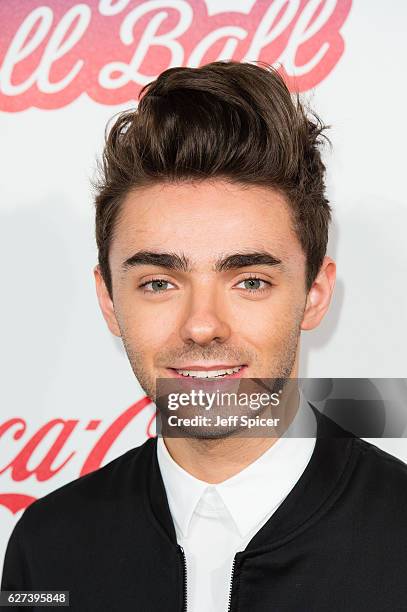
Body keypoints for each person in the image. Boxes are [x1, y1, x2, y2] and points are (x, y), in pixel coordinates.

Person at [2, 61, 407, 611]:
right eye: (160, 282)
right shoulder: (47, 546)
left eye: (249, 281)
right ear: (109, 302)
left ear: (314, 293)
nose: (201, 325)